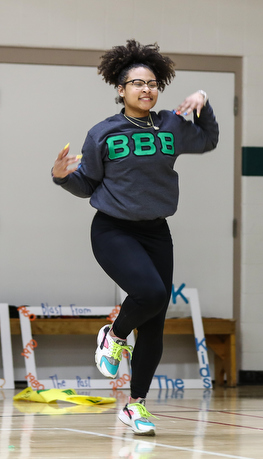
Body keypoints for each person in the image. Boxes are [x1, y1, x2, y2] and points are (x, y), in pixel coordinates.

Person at [51, 40, 219, 436]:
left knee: (157, 323)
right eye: (138, 83)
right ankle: (115, 334)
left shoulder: (171, 125)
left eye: (154, 83)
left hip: (156, 231)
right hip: (112, 228)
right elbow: (87, 182)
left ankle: (135, 405)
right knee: (152, 293)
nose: (147, 89)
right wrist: (61, 178)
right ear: (121, 89)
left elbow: (208, 139)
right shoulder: (103, 132)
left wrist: (204, 101)